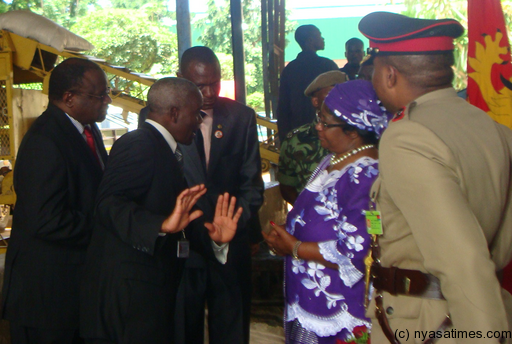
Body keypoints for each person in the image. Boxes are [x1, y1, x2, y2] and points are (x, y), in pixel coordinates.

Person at [359, 12, 511, 343]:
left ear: (389, 75)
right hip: (478, 310)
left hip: (429, 323)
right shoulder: (495, 130)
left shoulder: (407, 137)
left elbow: (464, 263)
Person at [80, 77, 243, 343]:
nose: (200, 121)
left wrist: (214, 239)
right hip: (131, 298)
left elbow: (176, 219)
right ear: (175, 113)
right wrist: (159, 225)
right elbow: (109, 204)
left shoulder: (165, 148)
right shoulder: (139, 143)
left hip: (151, 291)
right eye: (196, 114)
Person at [264, 80, 392, 344]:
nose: (318, 127)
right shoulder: (334, 160)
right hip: (312, 298)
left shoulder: (364, 175)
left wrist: (295, 246)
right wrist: (284, 240)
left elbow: (359, 250)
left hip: (341, 306)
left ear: (353, 131)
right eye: (318, 118)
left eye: (325, 122)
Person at [1, 58, 110, 343]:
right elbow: (46, 220)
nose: (107, 100)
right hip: (46, 297)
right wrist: (106, 228)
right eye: (99, 95)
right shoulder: (45, 140)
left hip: (74, 289)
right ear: (69, 98)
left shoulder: (88, 129)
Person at [170, 46, 264, 344]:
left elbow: (251, 184)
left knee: (231, 325)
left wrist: (234, 225)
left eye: (215, 82)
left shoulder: (241, 117)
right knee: (184, 326)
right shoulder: (160, 116)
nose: (209, 92)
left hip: (230, 243)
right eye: (200, 85)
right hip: (183, 243)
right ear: (180, 78)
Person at [278, 70, 347, 205]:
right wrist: (308, 214)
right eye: (331, 95)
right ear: (315, 101)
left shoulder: (361, 135)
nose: (338, 100)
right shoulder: (296, 140)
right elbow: (287, 186)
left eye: (343, 95)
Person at [276, 25, 338, 142]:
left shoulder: (290, 69)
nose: (323, 39)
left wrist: (285, 138)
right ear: (310, 40)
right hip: (325, 132)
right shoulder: (327, 66)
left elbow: (283, 107)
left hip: (297, 135)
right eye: (319, 35)